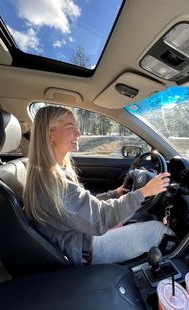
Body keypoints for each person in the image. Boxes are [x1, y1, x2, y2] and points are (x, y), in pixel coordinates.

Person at [23, 106, 174, 266]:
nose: (78, 134)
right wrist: (143, 192)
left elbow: (82, 208)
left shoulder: (47, 174)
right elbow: (100, 218)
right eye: (70, 128)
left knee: (136, 217)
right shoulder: (55, 184)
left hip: (81, 237)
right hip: (85, 249)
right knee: (159, 231)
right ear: (50, 135)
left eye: (77, 127)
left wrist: (115, 194)